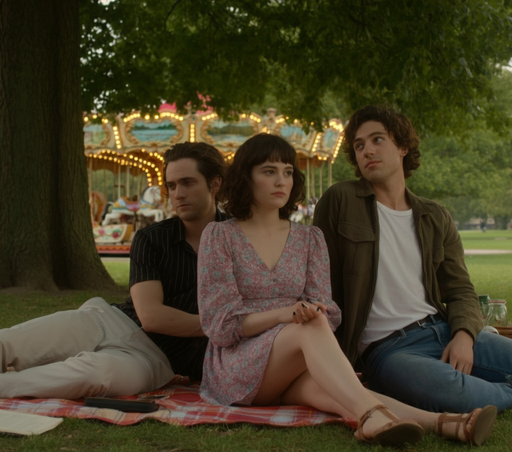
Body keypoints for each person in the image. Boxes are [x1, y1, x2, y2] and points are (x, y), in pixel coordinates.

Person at [197, 132, 497, 446]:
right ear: (246, 177)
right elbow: (220, 323)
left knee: (343, 392)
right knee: (311, 328)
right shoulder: (220, 236)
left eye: (287, 172)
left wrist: (315, 312)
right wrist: (286, 315)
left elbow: (327, 307)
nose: (280, 181)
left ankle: (447, 424)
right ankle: (370, 416)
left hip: (292, 362)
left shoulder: (309, 238)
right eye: (269, 171)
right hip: (237, 365)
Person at [313, 105, 512, 414]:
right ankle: (492, 393)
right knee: (453, 394)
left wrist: (463, 335)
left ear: (403, 147)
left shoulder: (435, 216)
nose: (367, 150)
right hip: (388, 352)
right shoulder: (340, 200)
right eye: (359, 145)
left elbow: (460, 289)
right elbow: (317, 280)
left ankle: (490, 392)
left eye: (378, 139)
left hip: (442, 330)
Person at [0, 142, 225, 399]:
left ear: (215, 183)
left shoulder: (239, 239)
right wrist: (227, 325)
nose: (177, 194)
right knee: (8, 343)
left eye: (188, 182)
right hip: (110, 321)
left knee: (91, 376)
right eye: (171, 186)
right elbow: (151, 316)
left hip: (153, 360)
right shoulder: (151, 238)